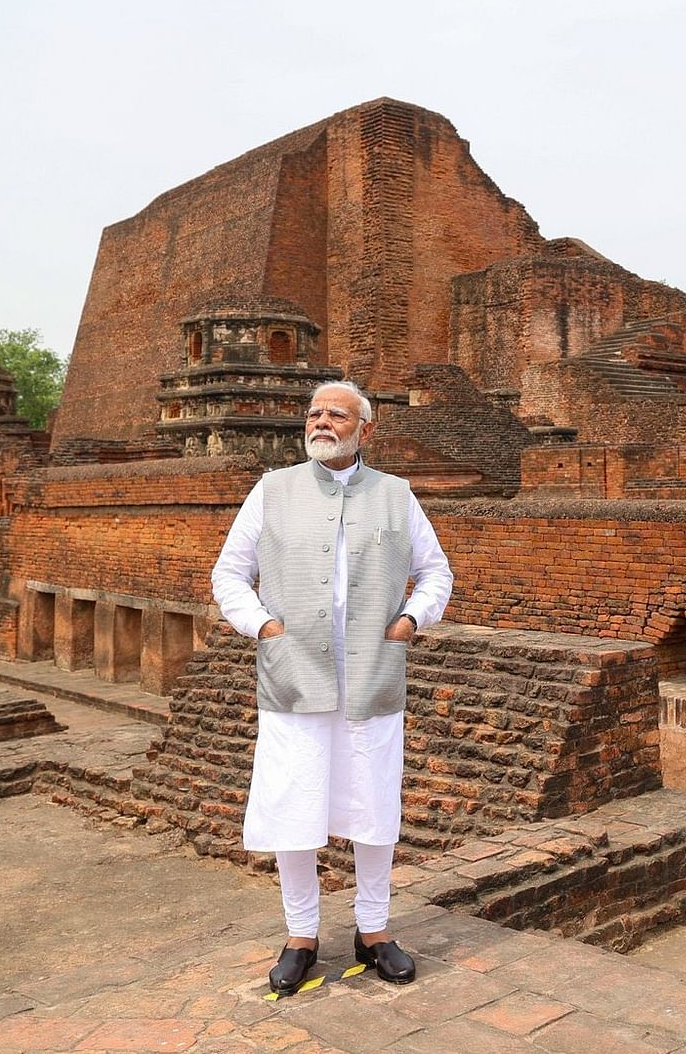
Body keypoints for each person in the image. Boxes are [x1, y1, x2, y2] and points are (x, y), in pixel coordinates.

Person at [210, 380, 453, 994]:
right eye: (314, 412)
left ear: (365, 429)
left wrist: (410, 621)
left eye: (336, 414)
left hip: (372, 673)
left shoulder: (396, 496)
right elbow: (229, 574)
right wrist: (262, 625)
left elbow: (436, 572)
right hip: (295, 674)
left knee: (373, 805)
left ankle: (373, 931)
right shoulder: (273, 490)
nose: (321, 421)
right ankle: (301, 934)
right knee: (295, 803)